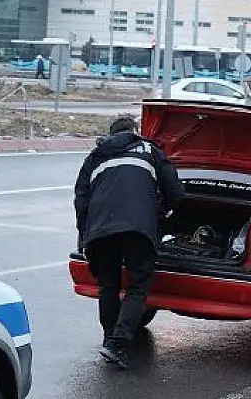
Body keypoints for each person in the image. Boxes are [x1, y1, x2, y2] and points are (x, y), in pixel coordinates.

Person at [74, 115, 183, 369]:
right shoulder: (149, 151)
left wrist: (84, 234)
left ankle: (109, 339)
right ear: (134, 132)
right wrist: (160, 215)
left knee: (108, 286)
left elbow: (81, 200)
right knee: (138, 286)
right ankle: (118, 344)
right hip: (137, 228)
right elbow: (176, 193)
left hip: (100, 229)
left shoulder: (95, 156)